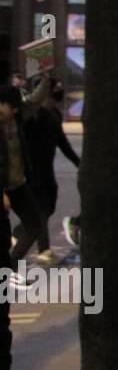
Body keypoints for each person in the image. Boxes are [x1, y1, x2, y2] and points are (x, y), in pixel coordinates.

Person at [1, 74, 52, 278]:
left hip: (17, 185)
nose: (13, 111)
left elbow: (34, 101)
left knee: (34, 224)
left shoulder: (17, 115)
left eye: (15, 108)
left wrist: (45, 79)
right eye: (9, 107)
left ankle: (9, 266)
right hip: (3, 189)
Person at [22, 78, 79, 259]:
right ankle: (43, 249)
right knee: (42, 208)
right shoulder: (30, 116)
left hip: (47, 167)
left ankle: (21, 231)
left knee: (49, 205)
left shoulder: (53, 114)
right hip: (31, 168)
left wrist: (78, 162)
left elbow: (61, 141)